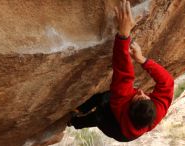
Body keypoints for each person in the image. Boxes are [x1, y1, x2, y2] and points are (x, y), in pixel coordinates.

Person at [68, 0, 174, 142]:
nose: (141, 91)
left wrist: (124, 34)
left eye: (138, 96)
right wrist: (143, 60)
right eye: (145, 96)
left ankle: (75, 122)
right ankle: (79, 113)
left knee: (100, 112)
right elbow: (167, 82)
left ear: (129, 105)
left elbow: (123, 71)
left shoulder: (121, 101)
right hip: (130, 125)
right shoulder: (157, 110)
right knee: (103, 101)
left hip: (118, 131)